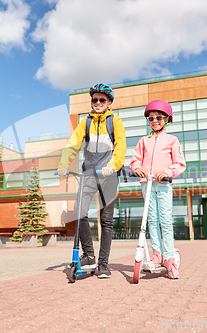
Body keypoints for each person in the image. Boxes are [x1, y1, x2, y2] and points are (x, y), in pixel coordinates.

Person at [57, 83, 126, 279]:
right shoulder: (85, 122)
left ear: (109, 103)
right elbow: (73, 145)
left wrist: (112, 165)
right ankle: (88, 254)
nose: (97, 103)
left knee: (106, 221)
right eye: (94, 99)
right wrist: (64, 164)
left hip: (109, 175)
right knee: (79, 212)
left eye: (102, 100)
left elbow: (121, 146)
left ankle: (103, 264)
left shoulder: (115, 121)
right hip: (88, 175)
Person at [129, 100, 186, 279]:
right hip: (147, 184)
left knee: (165, 221)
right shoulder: (143, 141)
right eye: (151, 118)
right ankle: (157, 254)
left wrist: (167, 172)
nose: (155, 121)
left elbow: (180, 163)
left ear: (167, 119)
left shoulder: (172, 140)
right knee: (151, 220)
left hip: (163, 184)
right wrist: (136, 167)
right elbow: (135, 159)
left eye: (159, 117)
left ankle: (169, 257)